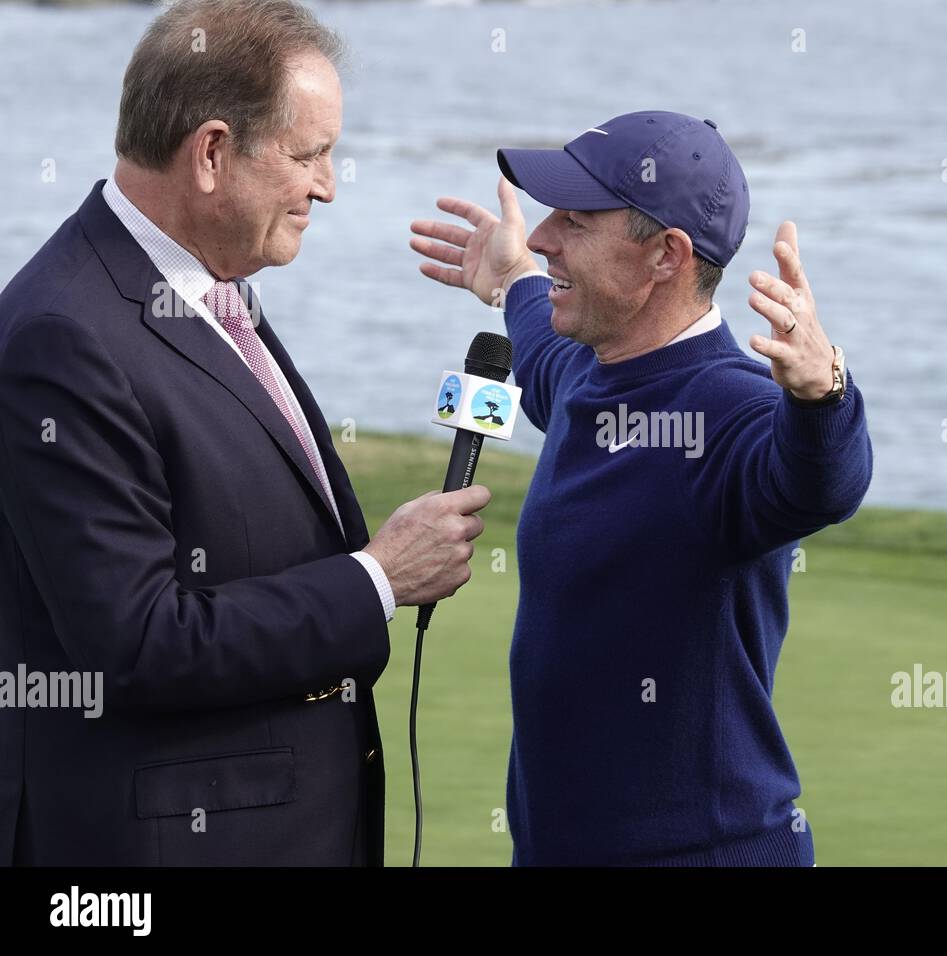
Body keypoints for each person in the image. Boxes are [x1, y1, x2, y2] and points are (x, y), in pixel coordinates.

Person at [0, 0, 489, 866]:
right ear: (214, 152)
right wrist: (377, 579)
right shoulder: (63, 334)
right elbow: (141, 643)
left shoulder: (210, 287)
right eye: (310, 155)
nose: (329, 186)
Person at [411, 111, 872, 865]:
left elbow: (818, 488)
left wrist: (824, 396)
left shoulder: (733, 410)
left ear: (666, 256)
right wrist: (510, 282)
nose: (542, 237)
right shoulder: (590, 371)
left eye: (576, 222)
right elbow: (541, 353)